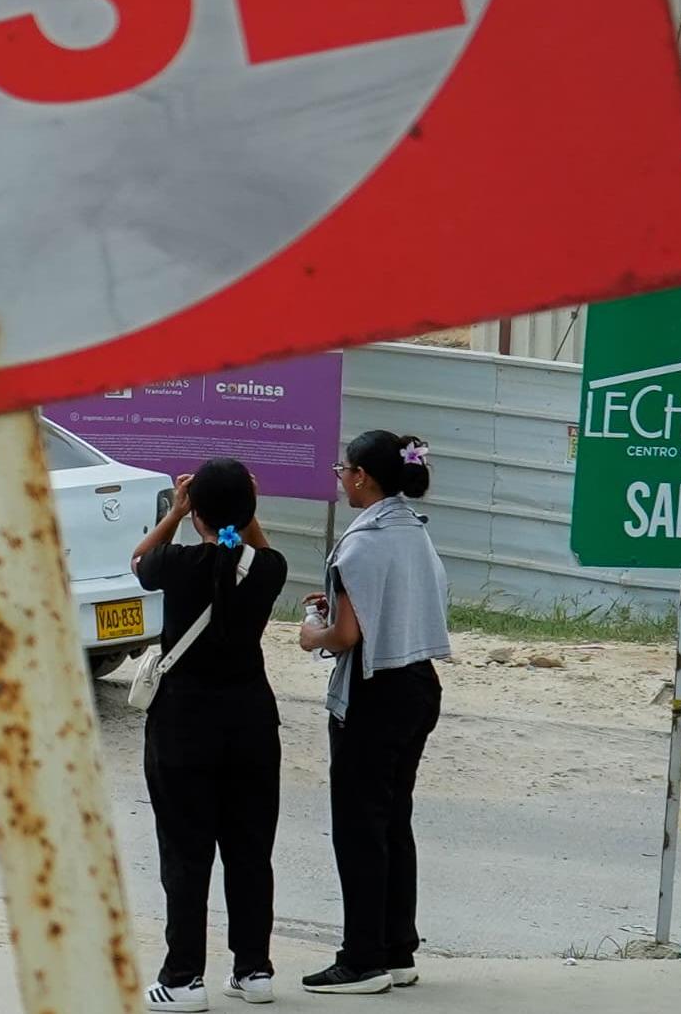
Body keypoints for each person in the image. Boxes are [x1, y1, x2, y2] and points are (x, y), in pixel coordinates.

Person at [129, 459, 289, 1009]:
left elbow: (139, 560)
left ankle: (182, 978)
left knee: (186, 854)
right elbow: (260, 553)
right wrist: (245, 516)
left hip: (183, 727)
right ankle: (254, 970)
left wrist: (176, 512)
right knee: (249, 851)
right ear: (247, 511)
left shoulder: (175, 564)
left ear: (195, 508)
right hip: (250, 725)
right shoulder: (269, 569)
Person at [300, 431, 451, 994]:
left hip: (375, 689)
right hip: (418, 683)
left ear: (362, 475)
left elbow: (344, 635)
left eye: (343, 468)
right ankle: (396, 949)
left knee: (360, 829)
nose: (340, 477)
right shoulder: (414, 532)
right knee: (393, 820)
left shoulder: (361, 544)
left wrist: (309, 634)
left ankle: (361, 959)